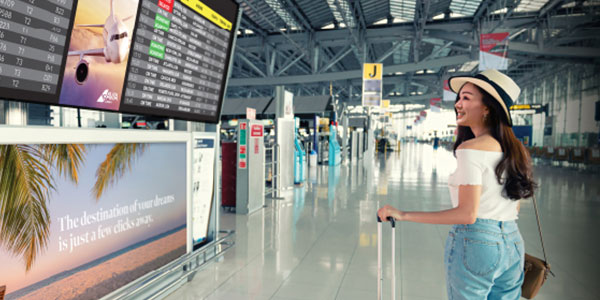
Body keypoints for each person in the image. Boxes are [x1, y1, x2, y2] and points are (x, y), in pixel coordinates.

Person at [378, 69, 536, 299]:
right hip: (512, 244)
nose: (458, 104)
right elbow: (515, 204)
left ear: (487, 107)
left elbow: (467, 215)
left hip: (477, 245)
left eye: (467, 98)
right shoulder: (515, 150)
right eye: (459, 98)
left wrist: (403, 214)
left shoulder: (470, 149)